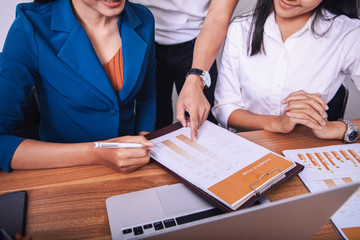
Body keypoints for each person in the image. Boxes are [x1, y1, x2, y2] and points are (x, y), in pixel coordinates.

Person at [0, 0, 156, 173]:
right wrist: (97, 153)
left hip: (131, 169)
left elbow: (147, 94)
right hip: (63, 173)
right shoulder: (30, 25)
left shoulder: (144, 18)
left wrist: (145, 140)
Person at [213, 0, 360, 142]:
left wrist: (334, 129)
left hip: (305, 148)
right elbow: (224, 107)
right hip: (249, 147)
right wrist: (276, 123)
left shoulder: (349, 34)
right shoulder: (241, 28)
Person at [130, 0, 239, 140]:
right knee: (154, 126)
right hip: (143, 36)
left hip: (199, 43)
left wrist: (197, 77)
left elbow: (217, 17)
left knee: (202, 127)